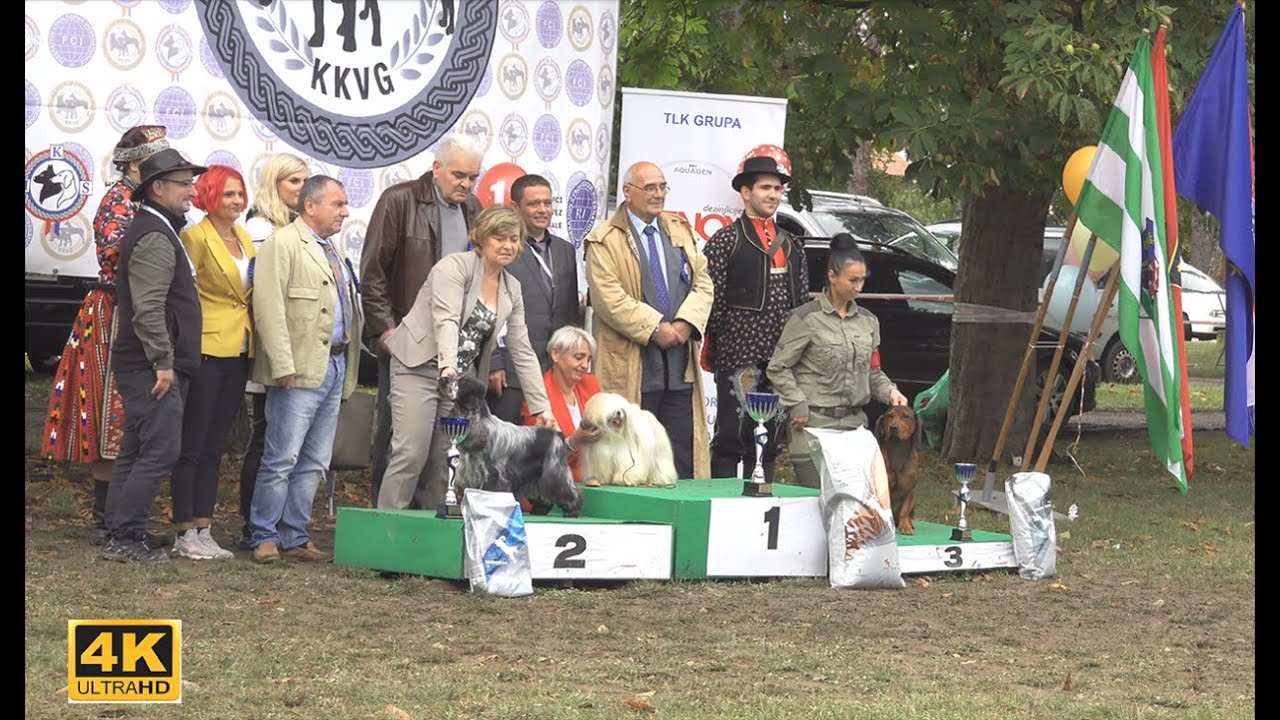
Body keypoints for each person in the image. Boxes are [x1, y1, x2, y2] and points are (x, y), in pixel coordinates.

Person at [378, 205, 557, 511]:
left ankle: (436, 534)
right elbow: (446, 319)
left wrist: (542, 407)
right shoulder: (453, 268)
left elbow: (522, 348)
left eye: (514, 239)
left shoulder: (512, 287)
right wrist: (448, 366)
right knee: (410, 452)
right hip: (419, 367)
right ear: (481, 238)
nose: (508, 245)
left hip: (460, 380)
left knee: (447, 458)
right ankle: (386, 531)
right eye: (500, 238)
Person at [40, 125, 170, 546]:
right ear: (136, 163)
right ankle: (106, 518)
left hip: (133, 309)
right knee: (108, 415)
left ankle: (118, 516)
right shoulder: (119, 199)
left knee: (128, 415)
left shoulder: (141, 201)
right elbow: (119, 253)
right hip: (115, 310)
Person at [362, 134, 484, 508]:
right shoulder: (399, 200)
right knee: (400, 440)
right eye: (459, 175)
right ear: (436, 168)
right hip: (406, 341)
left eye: (473, 177)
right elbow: (373, 272)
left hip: (454, 347)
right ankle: (386, 526)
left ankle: (429, 524)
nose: (466, 184)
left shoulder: (474, 209)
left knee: (442, 445)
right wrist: (385, 330)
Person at [100, 148, 208, 563]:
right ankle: (126, 537)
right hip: (151, 364)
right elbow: (147, 307)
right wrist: (163, 361)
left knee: (137, 449)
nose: (192, 191)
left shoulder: (160, 229)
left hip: (148, 362)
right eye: (184, 183)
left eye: (192, 183)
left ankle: (120, 532)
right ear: (158, 187)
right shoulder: (154, 234)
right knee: (161, 449)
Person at [248, 175, 362, 564]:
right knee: (282, 457)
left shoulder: (330, 248)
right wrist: (282, 364)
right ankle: (263, 535)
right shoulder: (282, 243)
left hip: (334, 362)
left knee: (314, 460)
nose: (345, 211)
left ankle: (294, 535)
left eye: (345, 204)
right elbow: (268, 307)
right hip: (297, 368)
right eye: (338, 204)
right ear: (310, 206)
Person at [583, 161, 714, 480]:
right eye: (650, 188)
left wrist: (684, 324)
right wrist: (656, 328)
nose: (658, 195)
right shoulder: (603, 240)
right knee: (628, 454)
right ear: (627, 192)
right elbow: (608, 299)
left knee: (680, 455)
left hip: (679, 367)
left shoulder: (680, 230)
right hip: (633, 366)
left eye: (662, 187)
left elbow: (704, 282)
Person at [767, 233, 909, 489]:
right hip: (814, 425)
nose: (859, 287)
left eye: (863, 280)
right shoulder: (805, 318)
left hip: (855, 428)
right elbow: (778, 367)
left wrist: (891, 392)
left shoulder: (868, 321)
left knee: (855, 509)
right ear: (832, 276)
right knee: (815, 506)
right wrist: (796, 403)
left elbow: (873, 372)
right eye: (853, 280)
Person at [704, 154, 808, 482]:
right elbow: (712, 301)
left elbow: (802, 305)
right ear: (746, 193)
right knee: (730, 436)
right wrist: (715, 346)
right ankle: (720, 500)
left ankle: (761, 499)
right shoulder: (725, 241)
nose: (773, 194)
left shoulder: (793, 245)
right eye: (765, 187)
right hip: (739, 353)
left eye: (777, 188)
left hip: (779, 359)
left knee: (769, 440)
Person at [169, 165, 255, 560]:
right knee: (193, 442)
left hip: (239, 348)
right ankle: (183, 528)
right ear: (209, 196)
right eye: (228, 195)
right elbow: (182, 294)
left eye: (240, 194)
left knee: (215, 444)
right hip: (205, 347)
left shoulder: (243, 237)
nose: (237, 202)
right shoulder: (194, 236)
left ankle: (204, 527)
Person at [238, 153, 309, 549]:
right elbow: (271, 291)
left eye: (304, 181)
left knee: (283, 443)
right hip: (270, 347)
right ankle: (254, 523)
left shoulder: (295, 226)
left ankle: (280, 526)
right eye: (292, 182)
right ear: (273, 184)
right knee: (266, 439)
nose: (301, 188)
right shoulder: (261, 227)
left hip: (296, 349)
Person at [488, 173, 582, 424]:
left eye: (547, 203)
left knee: (547, 451)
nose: (543, 210)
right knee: (504, 450)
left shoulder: (565, 250)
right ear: (515, 208)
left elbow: (570, 314)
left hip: (555, 372)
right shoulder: (502, 249)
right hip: (511, 372)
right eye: (534, 204)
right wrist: (494, 361)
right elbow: (488, 308)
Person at [520, 325, 603, 486]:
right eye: (579, 357)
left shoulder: (591, 384)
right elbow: (538, 459)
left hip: (592, 480)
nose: (585, 365)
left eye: (588, 359)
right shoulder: (538, 397)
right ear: (556, 354)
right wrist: (573, 442)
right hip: (553, 486)